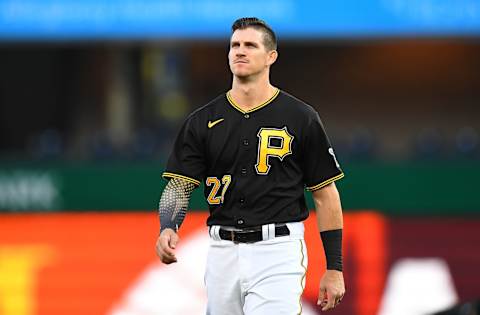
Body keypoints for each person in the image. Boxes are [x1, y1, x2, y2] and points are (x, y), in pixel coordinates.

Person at [156, 17, 345, 314]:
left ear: (271, 56)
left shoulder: (300, 117)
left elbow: (325, 193)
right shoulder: (202, 120)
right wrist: (168, 226)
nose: (239, 51)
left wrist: (334, 267)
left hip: (277, 249)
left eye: (250, 45)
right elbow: (180, 183)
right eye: (235, 45)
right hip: (222, 250)